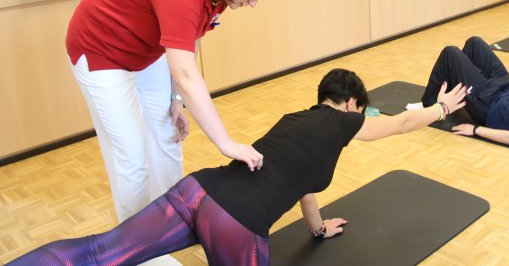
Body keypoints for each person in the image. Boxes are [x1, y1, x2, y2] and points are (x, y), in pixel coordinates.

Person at [7, 69, 467, 266]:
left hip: (197, 193)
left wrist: (319, 228)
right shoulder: (346, 121)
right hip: (236, 223)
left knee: (97, 253)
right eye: (359, 109)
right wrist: (441, 109)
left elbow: (302, 184)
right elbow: (403, 122)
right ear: (352, 104)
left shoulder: (297, 121)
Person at [65, 0, 282, 230]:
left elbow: (188, 43)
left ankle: (169, 222)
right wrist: (226, 143)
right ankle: (136, 244)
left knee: (168, 137)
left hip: (146, 50)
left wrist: (176, 100)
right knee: (132, 157)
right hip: (101, 52)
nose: (254, 3)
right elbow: (184, 73)